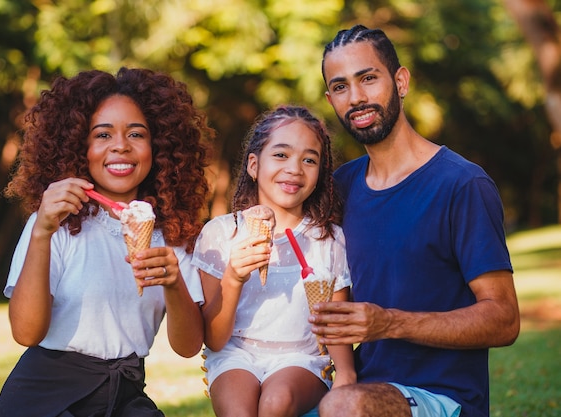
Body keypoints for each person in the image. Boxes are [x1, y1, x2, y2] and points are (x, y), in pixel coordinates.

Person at [309, 24, 521, 417]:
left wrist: (388, 323)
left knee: (344, 406)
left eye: (368, 78)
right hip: (359, 386)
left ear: (400, 81)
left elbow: (504, 319)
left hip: (445, 399)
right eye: (340, 87)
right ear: (330, 99)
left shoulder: (462, 184)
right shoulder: (339, 188)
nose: (356, 98)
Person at [0, 67, 214, 417]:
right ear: (79, 146)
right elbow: (26, 333)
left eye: (136, 133)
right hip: (43, 396)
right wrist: (42, 233)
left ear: (160, 146)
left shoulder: (174, 234)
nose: (121, 146)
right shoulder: (55, 224)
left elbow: (187, 348)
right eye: (103, 134)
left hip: (125, 394)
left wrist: (173, 284)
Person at [191, 105, 356, 417]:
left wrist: (346, 373)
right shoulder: (220, 235)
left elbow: (335, 318)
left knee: (274, 403)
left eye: (309, 159)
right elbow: (214, 339)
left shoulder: (328, 239)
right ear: (254, 165)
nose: (295, 168)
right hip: (234, 352)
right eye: (281, 155)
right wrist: (234, 278)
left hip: (301, 357)